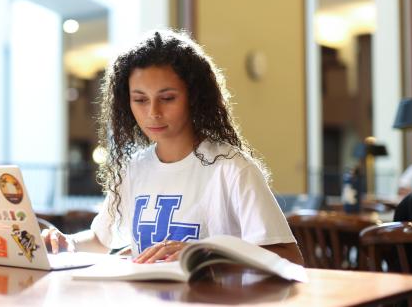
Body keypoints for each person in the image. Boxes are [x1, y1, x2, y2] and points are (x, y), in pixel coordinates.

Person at [43, 30, 303, 265]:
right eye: (140, 100)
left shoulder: (231, 168)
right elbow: (102, 240)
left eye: (167, 98)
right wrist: (69, 243)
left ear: (194, 97)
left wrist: (209, 252)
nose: (153, 112)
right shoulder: (133, 169)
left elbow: (289, 257)